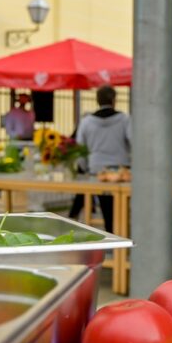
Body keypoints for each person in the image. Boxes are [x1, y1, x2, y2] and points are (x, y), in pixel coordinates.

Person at [67, 85, 131, 233]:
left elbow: (80, 149)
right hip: (120, 172)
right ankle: (118, 233)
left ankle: (110, 232)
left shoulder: (86, 122)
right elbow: (134, 142)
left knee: (105, 207)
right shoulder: (125, 119)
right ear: (114, 100)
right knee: (120, 209)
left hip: (96, 171)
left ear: (97, 100)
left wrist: (85, 168)